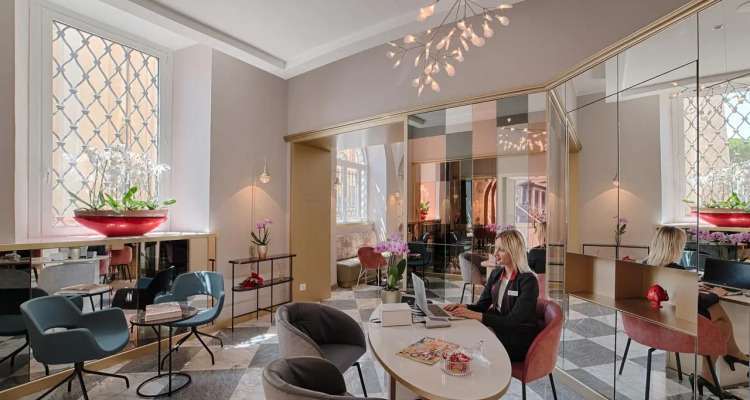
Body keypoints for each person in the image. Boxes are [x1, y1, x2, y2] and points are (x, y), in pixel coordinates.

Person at [644, 226, 748, 397]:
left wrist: (692, 285)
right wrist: (715, 294)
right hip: (676, 327)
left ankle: (730, 359)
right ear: (675, 246)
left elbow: (672, 294)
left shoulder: (646, 265)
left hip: (657, 323)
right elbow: (696, 302)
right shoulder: (675, 269)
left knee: (720, 322)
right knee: (718, 314)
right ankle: (729, 359)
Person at [444, 229, 539, 361]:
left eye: (501, 250)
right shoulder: (496, 275)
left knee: (469, 347)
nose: (495, 253)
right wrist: (464, 307)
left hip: (517, 339)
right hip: (499, 329)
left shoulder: (528, 281)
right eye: (495, 248)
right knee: (461, 335)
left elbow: (512, 322)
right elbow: (482, 306)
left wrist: (474, 315)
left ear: (514, 251)